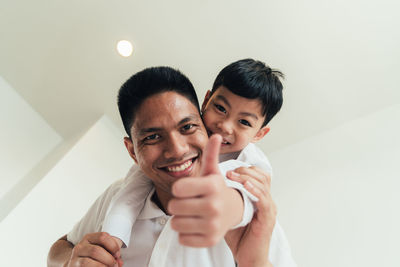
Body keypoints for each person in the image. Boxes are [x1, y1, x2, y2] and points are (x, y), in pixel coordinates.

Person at [47, 66, 286, 267]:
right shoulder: (116, 195)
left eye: (187, 127)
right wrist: (71, 260)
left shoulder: (256, 219)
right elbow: (60, 248)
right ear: (132, 150)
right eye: (152, 137)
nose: (178, 150)